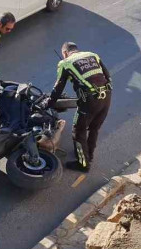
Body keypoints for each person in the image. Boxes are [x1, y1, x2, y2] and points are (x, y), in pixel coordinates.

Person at [48, 42, 112, 173]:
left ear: (65, 53)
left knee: (78, 131)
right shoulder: (92, 55)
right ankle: (90, 155)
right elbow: (107, 76)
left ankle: (83, 164)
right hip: (106, 96)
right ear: (76, 50)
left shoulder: (65, 63)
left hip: (89, 100)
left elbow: (58, 87)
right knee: (94, 127)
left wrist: (48, 104)